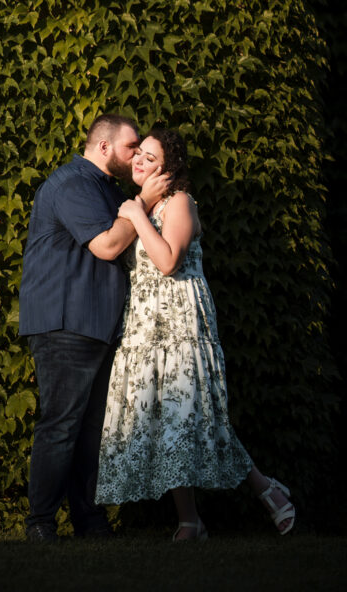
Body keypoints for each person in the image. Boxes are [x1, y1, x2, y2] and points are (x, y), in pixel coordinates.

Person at [96, 128, 296, 540]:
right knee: (161, 420)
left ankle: (265, 488)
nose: (139, 162)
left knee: (193, 418)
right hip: (143, 325)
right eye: (139, 155)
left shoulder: (179, 203)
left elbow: (168, 261)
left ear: (169, 170)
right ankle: (190, 520)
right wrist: (135, 210)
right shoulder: (137, 205)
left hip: (180, 325)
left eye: (151, 159)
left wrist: (135, 214)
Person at [18, 114, 171, 541]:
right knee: (62, 424)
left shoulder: (107, 189)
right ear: (104, 147)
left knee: (90, 431)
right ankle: (41, 523)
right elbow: (106, 245)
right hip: (67, 322)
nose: (137, 153)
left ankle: (88, 519)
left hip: (97, 326)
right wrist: (139, 205)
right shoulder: (73, 184)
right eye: (131, 147)